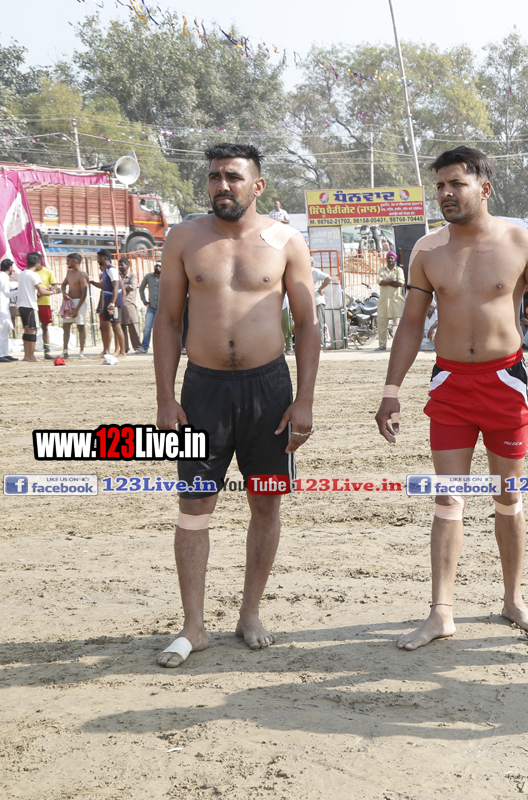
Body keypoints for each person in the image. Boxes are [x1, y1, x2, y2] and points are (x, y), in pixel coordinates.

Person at [374, 146, 528, 652]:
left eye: (455, 184)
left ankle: (512, 599)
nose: (445, 194)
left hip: (505, 383)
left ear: (484, 188)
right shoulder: (427, 251)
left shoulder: (520, 243)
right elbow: (411, 325)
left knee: (507, 496)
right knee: (448, 497)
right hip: (450, 385)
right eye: (440, 186)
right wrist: (391, 391)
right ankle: (441, 612)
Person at [152, 142, 319, 668]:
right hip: (202, 392)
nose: (221, 185)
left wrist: (304, 399)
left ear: (257, 185)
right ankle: (193, 626)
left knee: (265, 503)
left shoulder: (286, 241)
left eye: (232, 176)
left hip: (269, 390)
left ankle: (250, 613)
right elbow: (168, 321)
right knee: (194, 505)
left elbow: (308, 323)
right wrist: (165, 397)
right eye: (214, 177)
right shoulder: (185, 238)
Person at [18, 253, 57, 362]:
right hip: (30, 305)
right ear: (38, 262)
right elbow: (42, 291)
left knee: (27, 330)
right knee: (32, 330)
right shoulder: (34, 275)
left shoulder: (21, 274)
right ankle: (31, 355)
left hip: (21, 305)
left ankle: (26, 355)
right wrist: (54, 292)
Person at [60, 253, 90, 358]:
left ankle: (81, 351)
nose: (67, 262)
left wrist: (77, 309)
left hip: (79, 302)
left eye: (69, 260)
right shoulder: (69, 273)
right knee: (66, 327)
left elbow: (84, 293)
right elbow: (63, 284)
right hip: (69, 301)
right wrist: (64, 293)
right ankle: (65, 351)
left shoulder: (82, 275)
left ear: (75, 261)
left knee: (80, 327)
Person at [377, 251, 405, 351]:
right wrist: (393, 280)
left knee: (398, 327)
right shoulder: (382, 270)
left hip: (396, 302)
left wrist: (386, 281)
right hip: (384, 303)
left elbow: (400, 283)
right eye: (389, 258)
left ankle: (398, 346)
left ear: (395, 259)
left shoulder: (399, 270)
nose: (390, 259)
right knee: (381, 326)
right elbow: (380, 282)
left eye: (392, 258)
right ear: (386, 259)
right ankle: (382, 345)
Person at [32, 253, 57, 359]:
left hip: (44, 303)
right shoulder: (30, 273)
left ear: (39, 262)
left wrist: (46, 289)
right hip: (32, 303)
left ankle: (47, 352)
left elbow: (55, 286)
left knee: (45, 327)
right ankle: (31, 352)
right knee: (32, 328)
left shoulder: (48, 272)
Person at [118, 258, 142, 352]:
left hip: (129, 303)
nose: (120, 267)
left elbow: (132, 286)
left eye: (122, 265)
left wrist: (120, 285)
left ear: (127, 265)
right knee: (121, 326)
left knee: (133, 325)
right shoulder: (118, 276)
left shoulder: (132, 276)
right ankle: (124, 348)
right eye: (119, 265)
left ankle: (137, 347)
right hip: (119, 303)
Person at [139, 261, 161, 353]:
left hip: (162, 309)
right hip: (151, 307)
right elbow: (141, 288)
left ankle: (160, 348)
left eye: (160, 266)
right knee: (147, 328)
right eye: (156, 266)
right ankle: (144, 347)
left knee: (161, 329)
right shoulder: (148, 276)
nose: (158, 268)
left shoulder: (165, 277)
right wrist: (144, 300)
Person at [0, 259, 16, 362]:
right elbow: (7, 293)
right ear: (10, 267)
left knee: (5, 332)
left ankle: (5, 353)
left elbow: (11, 286)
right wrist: (20, 291)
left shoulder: (3, 276)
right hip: (1, 309)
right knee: (2, 332)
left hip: (4, 308)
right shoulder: (3, 277)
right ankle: (1, 354)